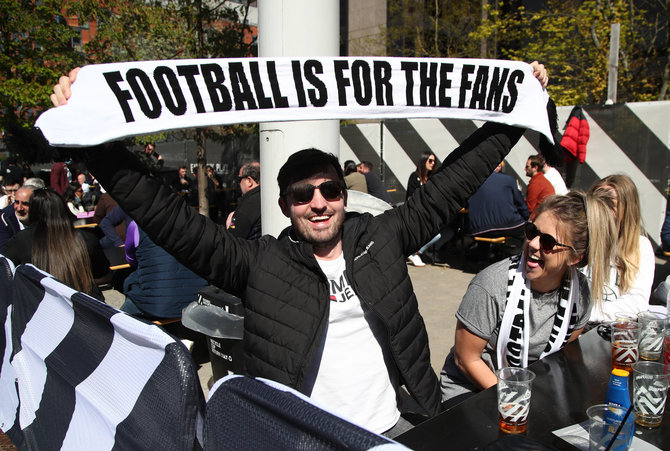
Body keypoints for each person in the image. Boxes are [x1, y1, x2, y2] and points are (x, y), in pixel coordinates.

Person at [51, 61, 549, 437]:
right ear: (286, 204)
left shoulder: (381, 237)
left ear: (343, 193)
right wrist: (90, 140)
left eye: (330, 190)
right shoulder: (257, 262)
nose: (319, 204)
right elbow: (169, 217)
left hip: (397, 426)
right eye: (302, 195)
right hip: (302, 439)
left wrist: (516, 113)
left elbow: (450, 185)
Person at [440, 191, 616, 408]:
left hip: (533, 390)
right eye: (532, 231)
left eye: (548, 242)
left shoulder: (579, 295)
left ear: (575, 257)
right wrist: (515, 401)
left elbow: (563, 356)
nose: (533, 244)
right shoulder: (491, 285)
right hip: (474, 388)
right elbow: (466, 359)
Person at [3, 188, 110, 301]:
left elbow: (4, 271)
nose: (19, 208)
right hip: (85, 307)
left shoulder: (21, 240)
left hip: (43, 307)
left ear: (34, 211)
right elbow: (104, 274)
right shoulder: (86, 238)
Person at [586, 174, 655, 323]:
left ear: (628, 210)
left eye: (609, 204)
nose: (601, 211)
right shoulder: (582, 241)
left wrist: (584, 313)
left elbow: (636, 304)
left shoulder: (640, 247)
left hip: (614, 335)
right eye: (597, 203)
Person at [121, 221, 207, 319]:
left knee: (120, 320)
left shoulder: (137, 223)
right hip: (196, 300)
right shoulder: (196, 221)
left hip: (157, 305)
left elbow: (130, 257)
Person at [466, 161, 529, 261]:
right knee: (527, 232)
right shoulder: (508, 179)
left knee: (486, 235)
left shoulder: (472, 181)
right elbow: (520, 204)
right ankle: (521, 260)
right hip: (507, 225)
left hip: (478, 229)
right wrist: (526, 218)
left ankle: (484, 259)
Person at [406, 152, 437, 267]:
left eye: (434, 161)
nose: (433, 163)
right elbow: (411, 196)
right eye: (430, 161)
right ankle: (415, 252)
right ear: (423, 161)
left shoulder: (431, 178)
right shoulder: (415, 177)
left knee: (439, 232)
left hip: (428, 213)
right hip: (416, 212)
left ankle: (416, 251)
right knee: (436, 234)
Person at [227, 161, 261, 240]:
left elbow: (232, 239)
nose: (239, 183)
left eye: (240, 179)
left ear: (249, 180)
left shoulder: (249, 205)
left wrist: (230, 224)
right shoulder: (267, 198)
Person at [0, 186, 34, 251]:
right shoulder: (3, 220)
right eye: (16, 202)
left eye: (25, 204)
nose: (19, 208)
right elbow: (5, 252)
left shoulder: (46, 218)